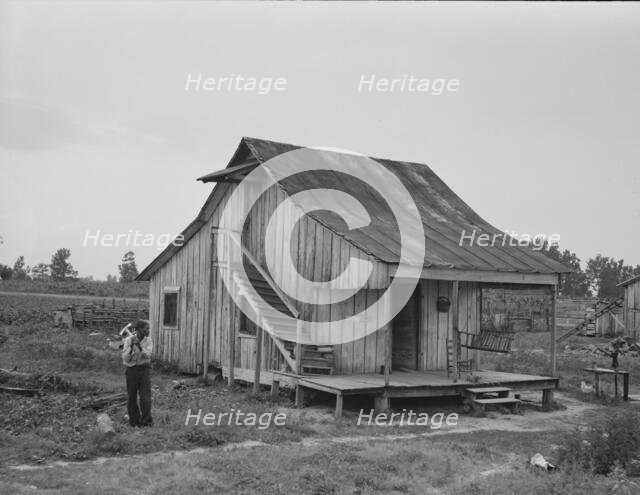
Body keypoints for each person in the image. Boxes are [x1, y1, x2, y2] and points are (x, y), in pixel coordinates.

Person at [122, 319, 153, 427]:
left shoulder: (148, 340)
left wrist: (139, 346)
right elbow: (125, 359)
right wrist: (131, 347)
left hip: (144, 370)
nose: (148, 330)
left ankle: (146, 421)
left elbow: (148, 355)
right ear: (139, 329)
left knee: (146, 397)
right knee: (132, 397)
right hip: (131, 371)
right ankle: (134, 421)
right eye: (146, 328)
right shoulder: (128, 340)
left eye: (148, 328)